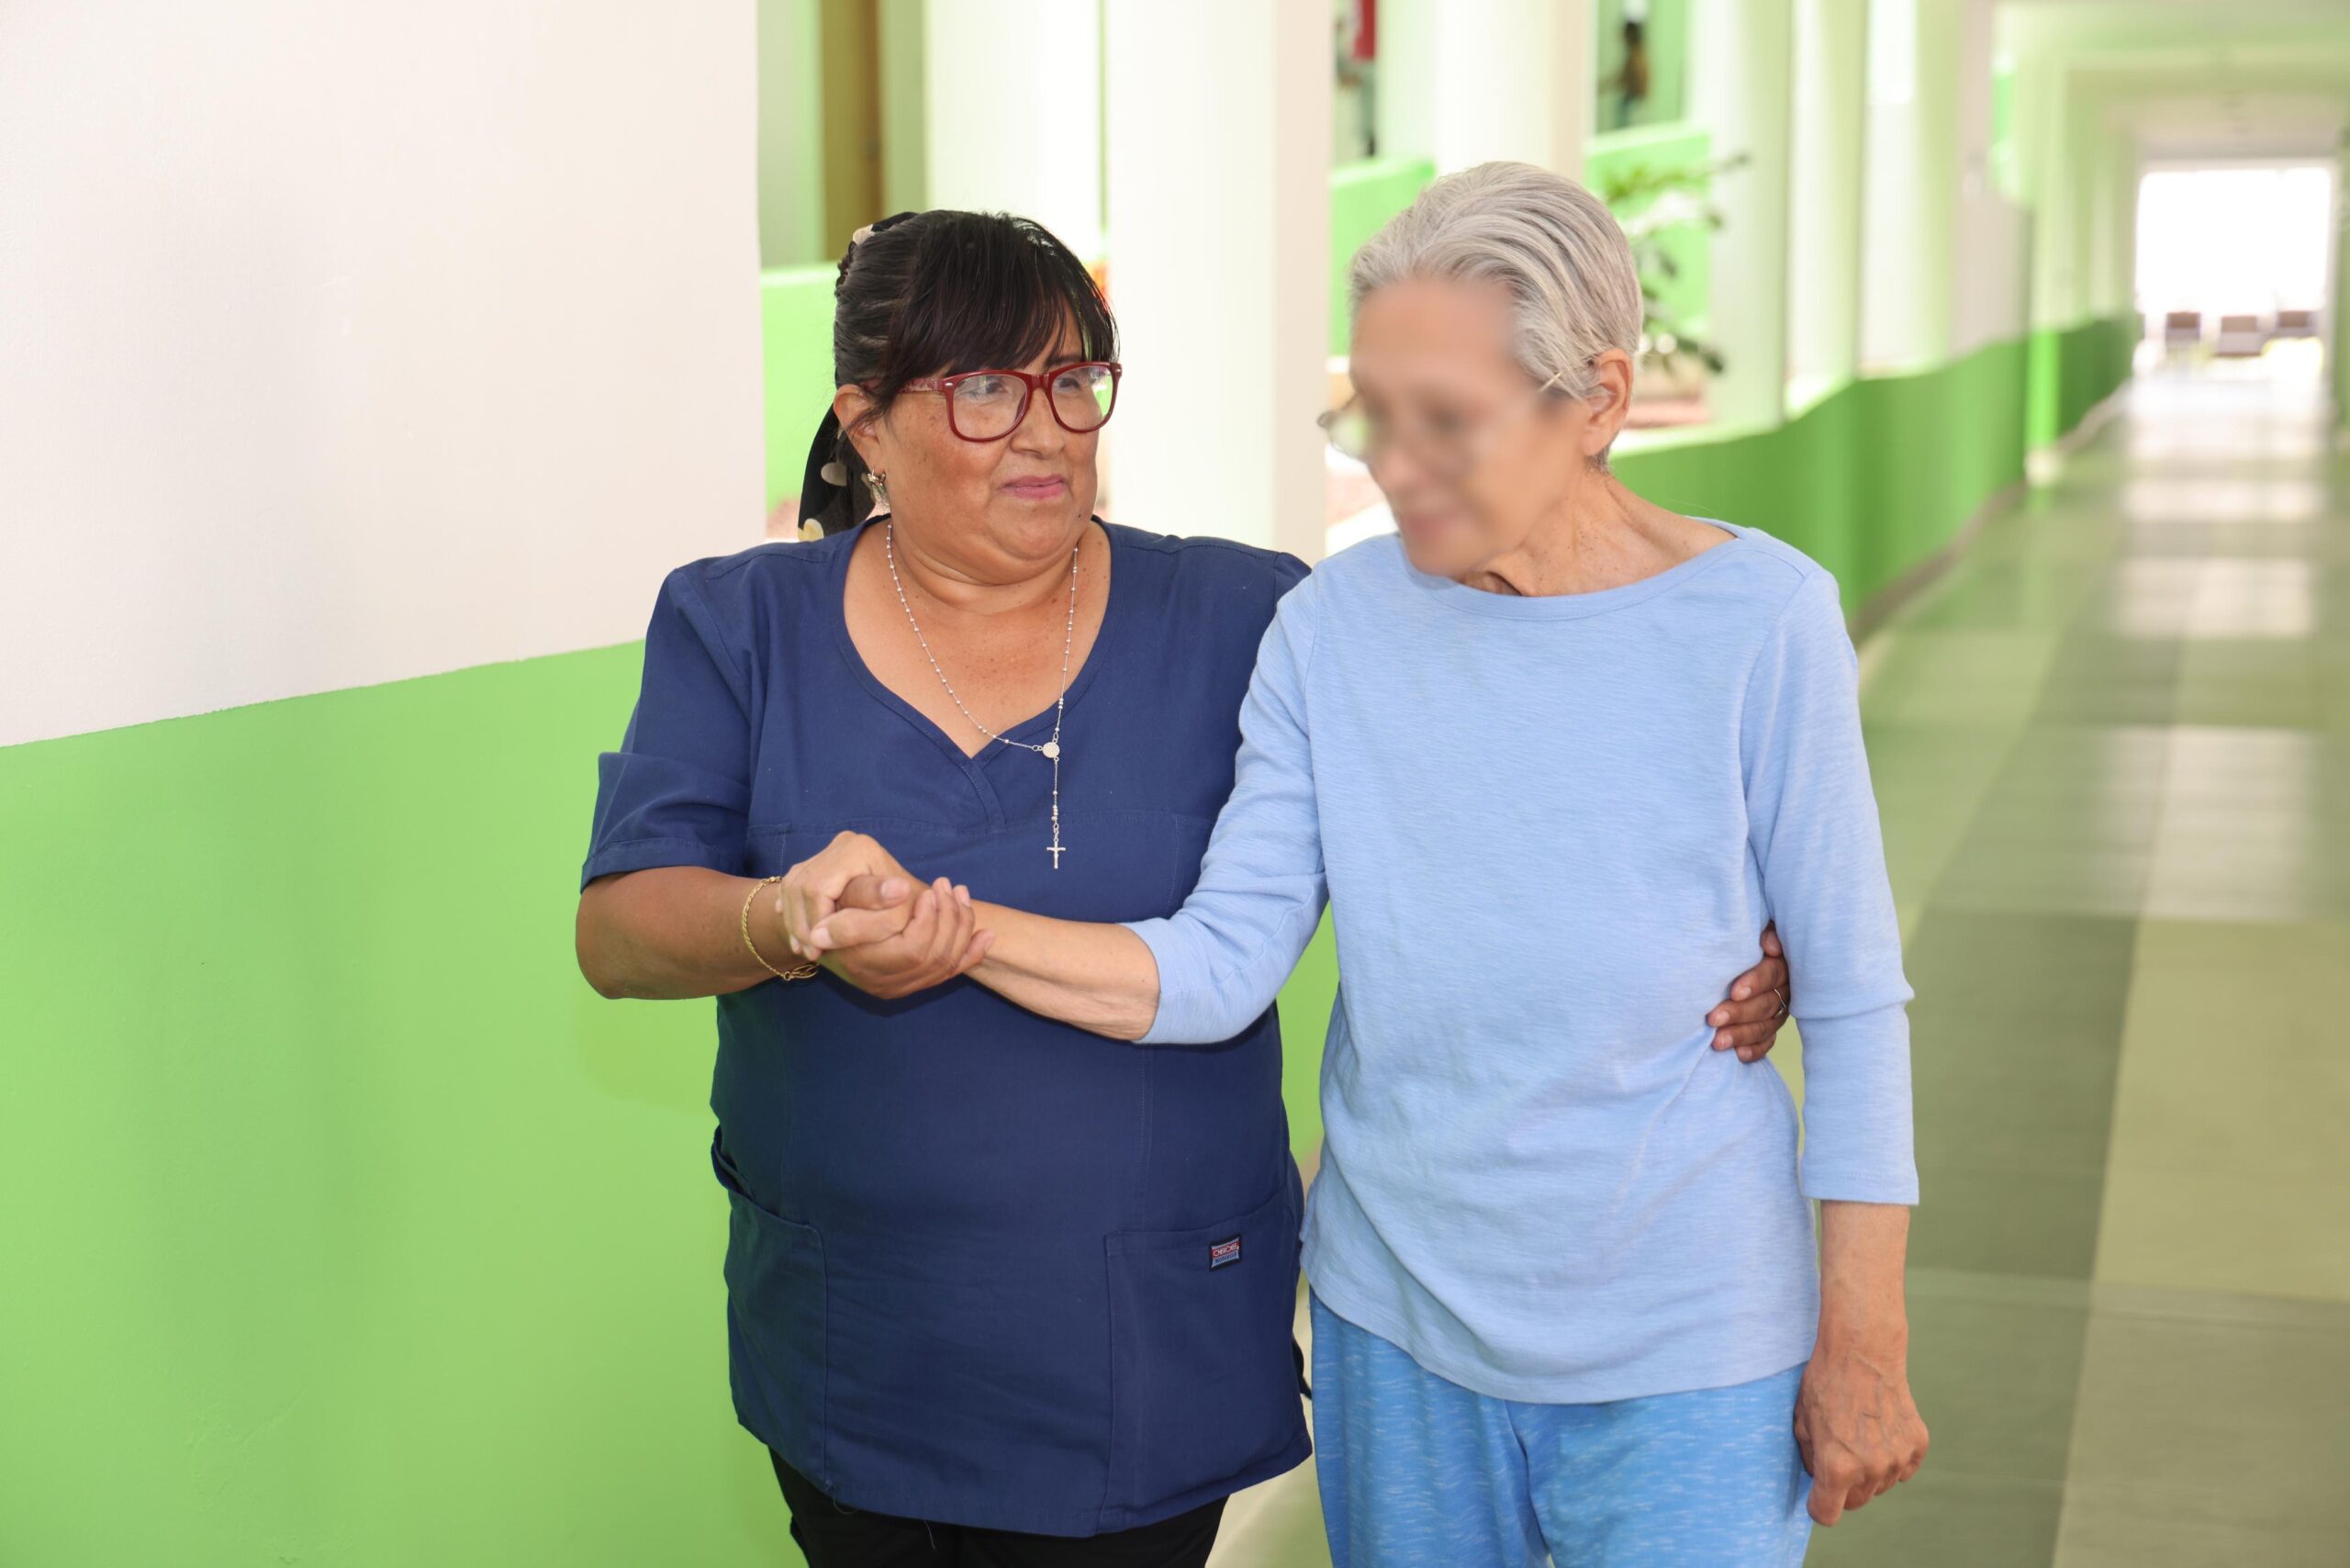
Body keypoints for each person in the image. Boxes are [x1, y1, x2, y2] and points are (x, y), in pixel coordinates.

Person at [575, 206, 1799, 1568]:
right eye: (983, 390)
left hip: (1152, 1346)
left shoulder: (1241, 615)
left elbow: (1491, 774)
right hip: (859, 1342)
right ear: (866, 423)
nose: (1045, 431)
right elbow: (619, 931)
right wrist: (781, 917)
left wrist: (1728, 929)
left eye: (1073, 381)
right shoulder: (740, 624)